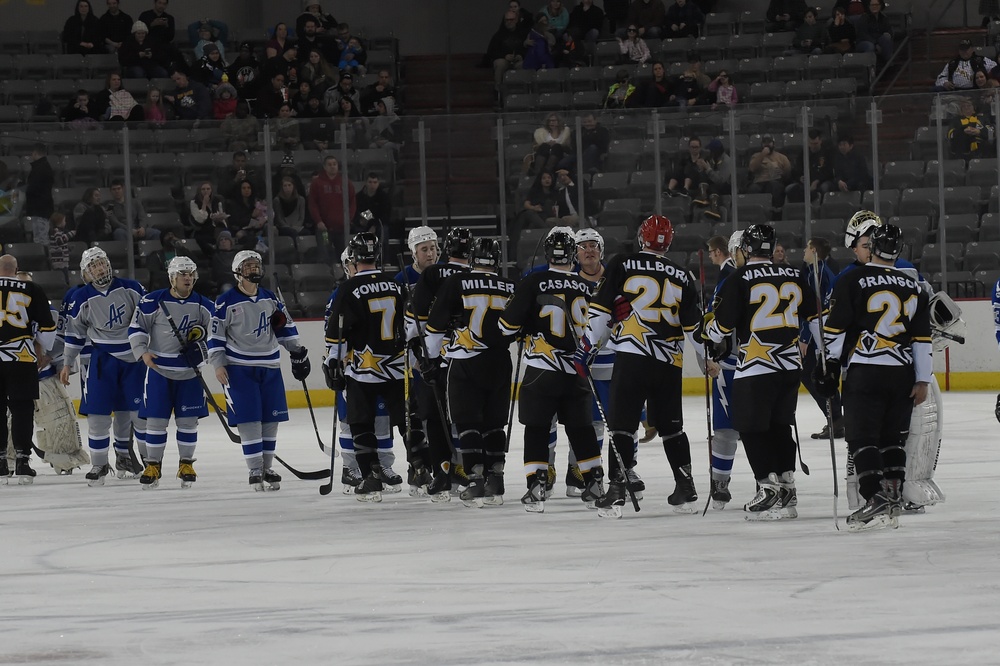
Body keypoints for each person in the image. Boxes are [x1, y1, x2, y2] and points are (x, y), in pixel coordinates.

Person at [579, 215, 702, 517]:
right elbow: (695, 328)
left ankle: (617, 489)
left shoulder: (622, 263)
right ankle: (685, 487)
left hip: (633, 357)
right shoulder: (683, 274)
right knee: (672, 428)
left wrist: (586, 349)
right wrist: (708, 357)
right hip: (669, 363)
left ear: (641, 238)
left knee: (621, 425)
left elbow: (602, 310)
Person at [815, 224, 932, 530]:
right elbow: (922, 339)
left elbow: (836, 327)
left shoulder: (852, 278)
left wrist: (829, 364)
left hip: (866, 370)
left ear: (873, 247)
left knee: (862, 437)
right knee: (892, 437)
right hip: (903, 374)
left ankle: (873, 497)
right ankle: (893, 494)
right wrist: (923, 380)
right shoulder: (913, 285)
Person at [702, 224, 816, 521]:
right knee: (780, 426)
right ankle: (788, 487)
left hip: (756, 365)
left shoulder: (738, 277)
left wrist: (708, 331)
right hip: (790, 366)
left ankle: (767, 487)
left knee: (752, 428)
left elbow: (722, 328)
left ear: (745, 249)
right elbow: (816, 318)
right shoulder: (794, 274)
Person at [498, 228, 605, 513]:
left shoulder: (534, 281)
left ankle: (537, 485)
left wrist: (525, 325)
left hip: (541, 369)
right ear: (574, 255)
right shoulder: (587, 286)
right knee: (581, 429)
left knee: (536, 428)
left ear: (547, 254)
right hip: (576, 370)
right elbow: (600, 329)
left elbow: (505, 326)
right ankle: (595, 482)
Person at [423, 238, 516, 507]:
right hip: (500, 362)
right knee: (494, 423)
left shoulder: (457, 282)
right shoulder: (510, 285)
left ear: (473, 259)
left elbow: (435, 324)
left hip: (465, 362)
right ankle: (496, 478)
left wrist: (430, 358)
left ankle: (475, 480)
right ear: (497, 261)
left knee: (467, 422)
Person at [325, 233, 415, 501]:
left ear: (353, 259)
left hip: (363, 371)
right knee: (407, 422)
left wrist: (332, 363)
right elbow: (411, 327)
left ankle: (371, 477)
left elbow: (336, 336)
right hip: (398, 369)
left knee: (360, 424)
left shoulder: (348, 288)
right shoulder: (396, 285)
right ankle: (422, 470)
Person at [209, 250, 308, 491]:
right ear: (237, 272)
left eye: (256, 265)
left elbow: (284, 327)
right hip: (239, 369)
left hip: (270, 367)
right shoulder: (225, 301)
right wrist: (218, 363)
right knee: (249, 419)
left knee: (270, 418)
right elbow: (215, 335)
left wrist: (297, 351)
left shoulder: (270, 298)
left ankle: (267, 466)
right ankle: (255, 468)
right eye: (247, 266)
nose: (253, 270)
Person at [59, 248, 148, 486]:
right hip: (101, 361)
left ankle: (150, 463)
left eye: (101, 263)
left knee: (139, 416)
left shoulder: (132, 288)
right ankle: (99, 464)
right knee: (98, 415)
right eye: (93, 266)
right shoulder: (80, 297)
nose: (99, 268)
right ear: (86, 273)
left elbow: (150, 320)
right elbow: (74, 334)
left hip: (134, 361)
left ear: (109, 264)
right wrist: (67, 363)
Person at [128, 256, 213, 489]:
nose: (187, 278)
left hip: (189, 374)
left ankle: (186, 464)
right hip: (159, 372)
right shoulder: (152, 300)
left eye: (190, 274)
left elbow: (216, 336)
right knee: (155, 422)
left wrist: (202, 351)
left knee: (188, 423)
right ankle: (153, 465)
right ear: (172, 278)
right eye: (182, 274)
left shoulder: (204, 304)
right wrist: (142, 352)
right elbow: (136, 327)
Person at [404, 227, 474, 499]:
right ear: (414, 252)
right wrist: (415, 356)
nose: (430, 253)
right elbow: (409, 322)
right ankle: (420, 466)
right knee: (420, 417)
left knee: (444, 414)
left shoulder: (440, 274)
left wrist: (418, 352)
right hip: (430, 356)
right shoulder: (403, 278)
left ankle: (452, 467)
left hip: (439, 355)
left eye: (434, 248)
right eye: (425, 249)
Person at [0, 256, 56, 484]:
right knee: (22, 409)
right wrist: (42, 348)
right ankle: (23, 461)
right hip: (21, 356)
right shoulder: (31, 288)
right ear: (16, 270)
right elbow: (48, 326)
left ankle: (1, 462)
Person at [704, 232, 742, 509]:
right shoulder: (730, 279)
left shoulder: (730, 278)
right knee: (730, 429)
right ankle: (772, 484)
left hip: (743, 365)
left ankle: (721, 484)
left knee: (731, 429)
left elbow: (712, 324)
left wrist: (709, 349)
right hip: (751, 365)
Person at [796, 236, 844, 439]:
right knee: (815, 374)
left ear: (814, 251)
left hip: (819, 335)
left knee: (815, 374)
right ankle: (835, 419)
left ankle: (835, 418)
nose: (804, 251)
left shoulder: (819, 274)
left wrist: (805, 337)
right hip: (818, 334)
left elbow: (817, 309)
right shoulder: (812, 272)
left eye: (807, 248)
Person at [308, 155, 356, 259]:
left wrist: (349, 219)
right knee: (325, 253)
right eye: (329, 165)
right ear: (324, 167)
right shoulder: (317, 183)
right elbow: (313, 204)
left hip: (342, 229)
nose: (332, 166)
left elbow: (352, 203)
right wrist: (318, 221)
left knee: (344, 256)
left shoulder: (346, 182)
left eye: (334, 164)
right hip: (324, 229)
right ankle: (326, 274)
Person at [785, 129, 835, 204]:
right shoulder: (804, 153)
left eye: (815, 143)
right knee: (789, 189)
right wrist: (800, 178)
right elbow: (797, 169)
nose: (813, 146)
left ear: (820, 141)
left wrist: (817, 181)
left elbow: (829, 171)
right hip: (805, 182)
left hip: (822, 181)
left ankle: (820, 209)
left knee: (824, 188)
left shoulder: (827, 153)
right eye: (811, 143)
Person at [485, 10, 530, 91]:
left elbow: (529, 49)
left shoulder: (524, 34)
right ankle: (498, 90)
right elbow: (491, 52)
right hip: (504, 61)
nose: (509, 22)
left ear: (516, 20)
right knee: (500, 63)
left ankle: (523, 91)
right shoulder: (498, 35)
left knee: (525, 64)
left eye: (511, 19)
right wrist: (504, 56)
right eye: (507, 20)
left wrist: (521, 56)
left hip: (518, 61)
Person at [748, 135, 791, 215]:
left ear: (773, 144)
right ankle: (756, 213)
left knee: (774, 186)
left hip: (775, 181)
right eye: (764, 142)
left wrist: (782, 173)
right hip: (759, 182)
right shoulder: (756, 156)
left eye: (769, 142)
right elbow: (752, 168)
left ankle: (776, 211)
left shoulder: (782, 157)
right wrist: (763, 155)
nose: (767, 145)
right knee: (753, 188)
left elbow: (788, 173)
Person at [25, 144, 55, 250]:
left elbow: (33, 188)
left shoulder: (39, 169)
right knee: (40, 236)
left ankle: (45, 260)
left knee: (41, 238)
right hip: (42, 207)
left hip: (40, 208)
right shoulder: (45, 166)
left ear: (35, 153)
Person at [188, 181, 229, 254]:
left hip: (217, 227)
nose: (206, 191)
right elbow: (199, 219)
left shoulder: (217, 201)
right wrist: (204, 204)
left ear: (211, 190)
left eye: (208, 189)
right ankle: (214, 255)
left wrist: (219, 218)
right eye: (203, 189)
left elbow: (222, 216)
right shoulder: (194, 203)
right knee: (201, 239)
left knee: (225, 233)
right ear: (199, 191)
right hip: (203, 229)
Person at [855, 0, 893, 65]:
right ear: (869, 6)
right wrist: (875, 44)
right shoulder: (864, 18)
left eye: (876, 4)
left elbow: (889, 30)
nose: (874, 6)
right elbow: (863, 34)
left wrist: (888, 34)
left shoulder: (883, 17)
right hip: (863, 41)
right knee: (870, 46)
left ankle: (888, 63)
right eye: (872, 5)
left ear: (880, 6)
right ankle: (870, 68)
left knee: (886, 39)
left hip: (878, 39)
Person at [48, 213, 75, 281]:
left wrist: (68, 249)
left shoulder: (59, 232)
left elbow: (60, 246)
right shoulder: (56, 231)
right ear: (59, 222)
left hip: (63, 261)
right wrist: (70, 234)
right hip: (59, 262)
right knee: (63, 277)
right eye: (64, 221)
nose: (65, 223)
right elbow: (59, 241)